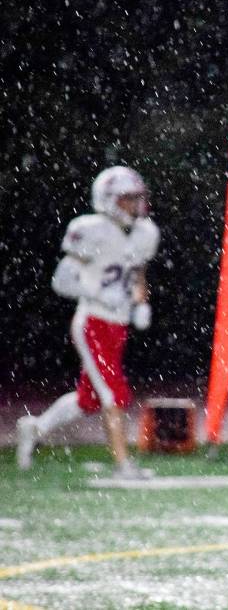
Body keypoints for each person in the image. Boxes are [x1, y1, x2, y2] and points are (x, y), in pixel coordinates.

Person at [17, 166, 159, 479]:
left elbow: (137, 273)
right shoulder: (91, 229)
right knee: (113, 394)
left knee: (89, 400)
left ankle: (36, 429)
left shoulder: (144, 233)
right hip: (93, 321)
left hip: (118, 324)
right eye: (128, 199)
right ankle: (123, 466)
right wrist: (93, 292)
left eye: (138, 198)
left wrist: (140, 303)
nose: (136, 205)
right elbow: (61, 280)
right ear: (109, 200)